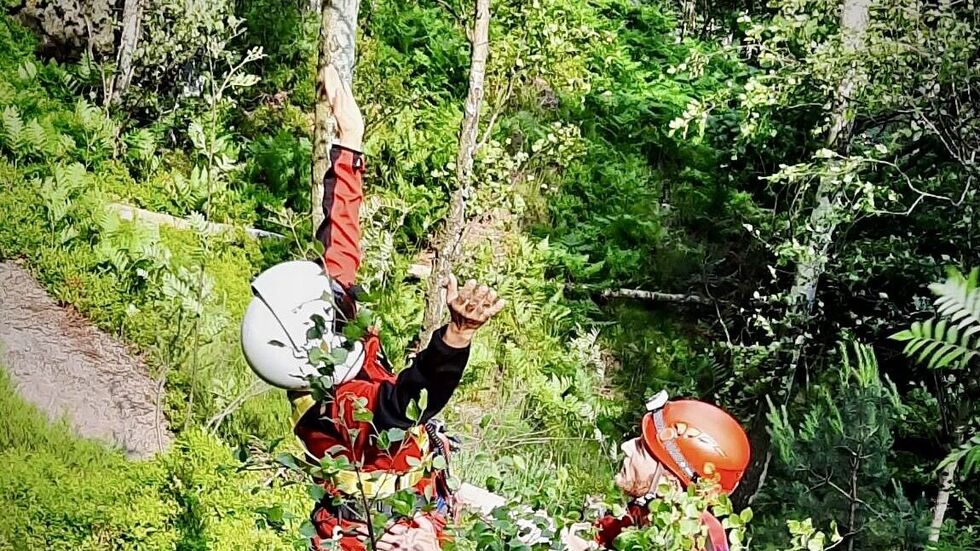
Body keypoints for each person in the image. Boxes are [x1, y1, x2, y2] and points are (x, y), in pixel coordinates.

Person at [242, 65, 505, 551]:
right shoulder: (342, 408)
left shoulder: (317, 343)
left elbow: (339, 243)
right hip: (380, 536)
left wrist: (350, 141)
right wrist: (456, 337)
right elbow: (411, 397)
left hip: (417, 505)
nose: (345, 306)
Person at [562, 392, 751, 551]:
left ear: (670, 483)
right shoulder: (647, 513)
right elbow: (599, 533)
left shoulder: (698, 541)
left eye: (642, 448)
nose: (626, 447)